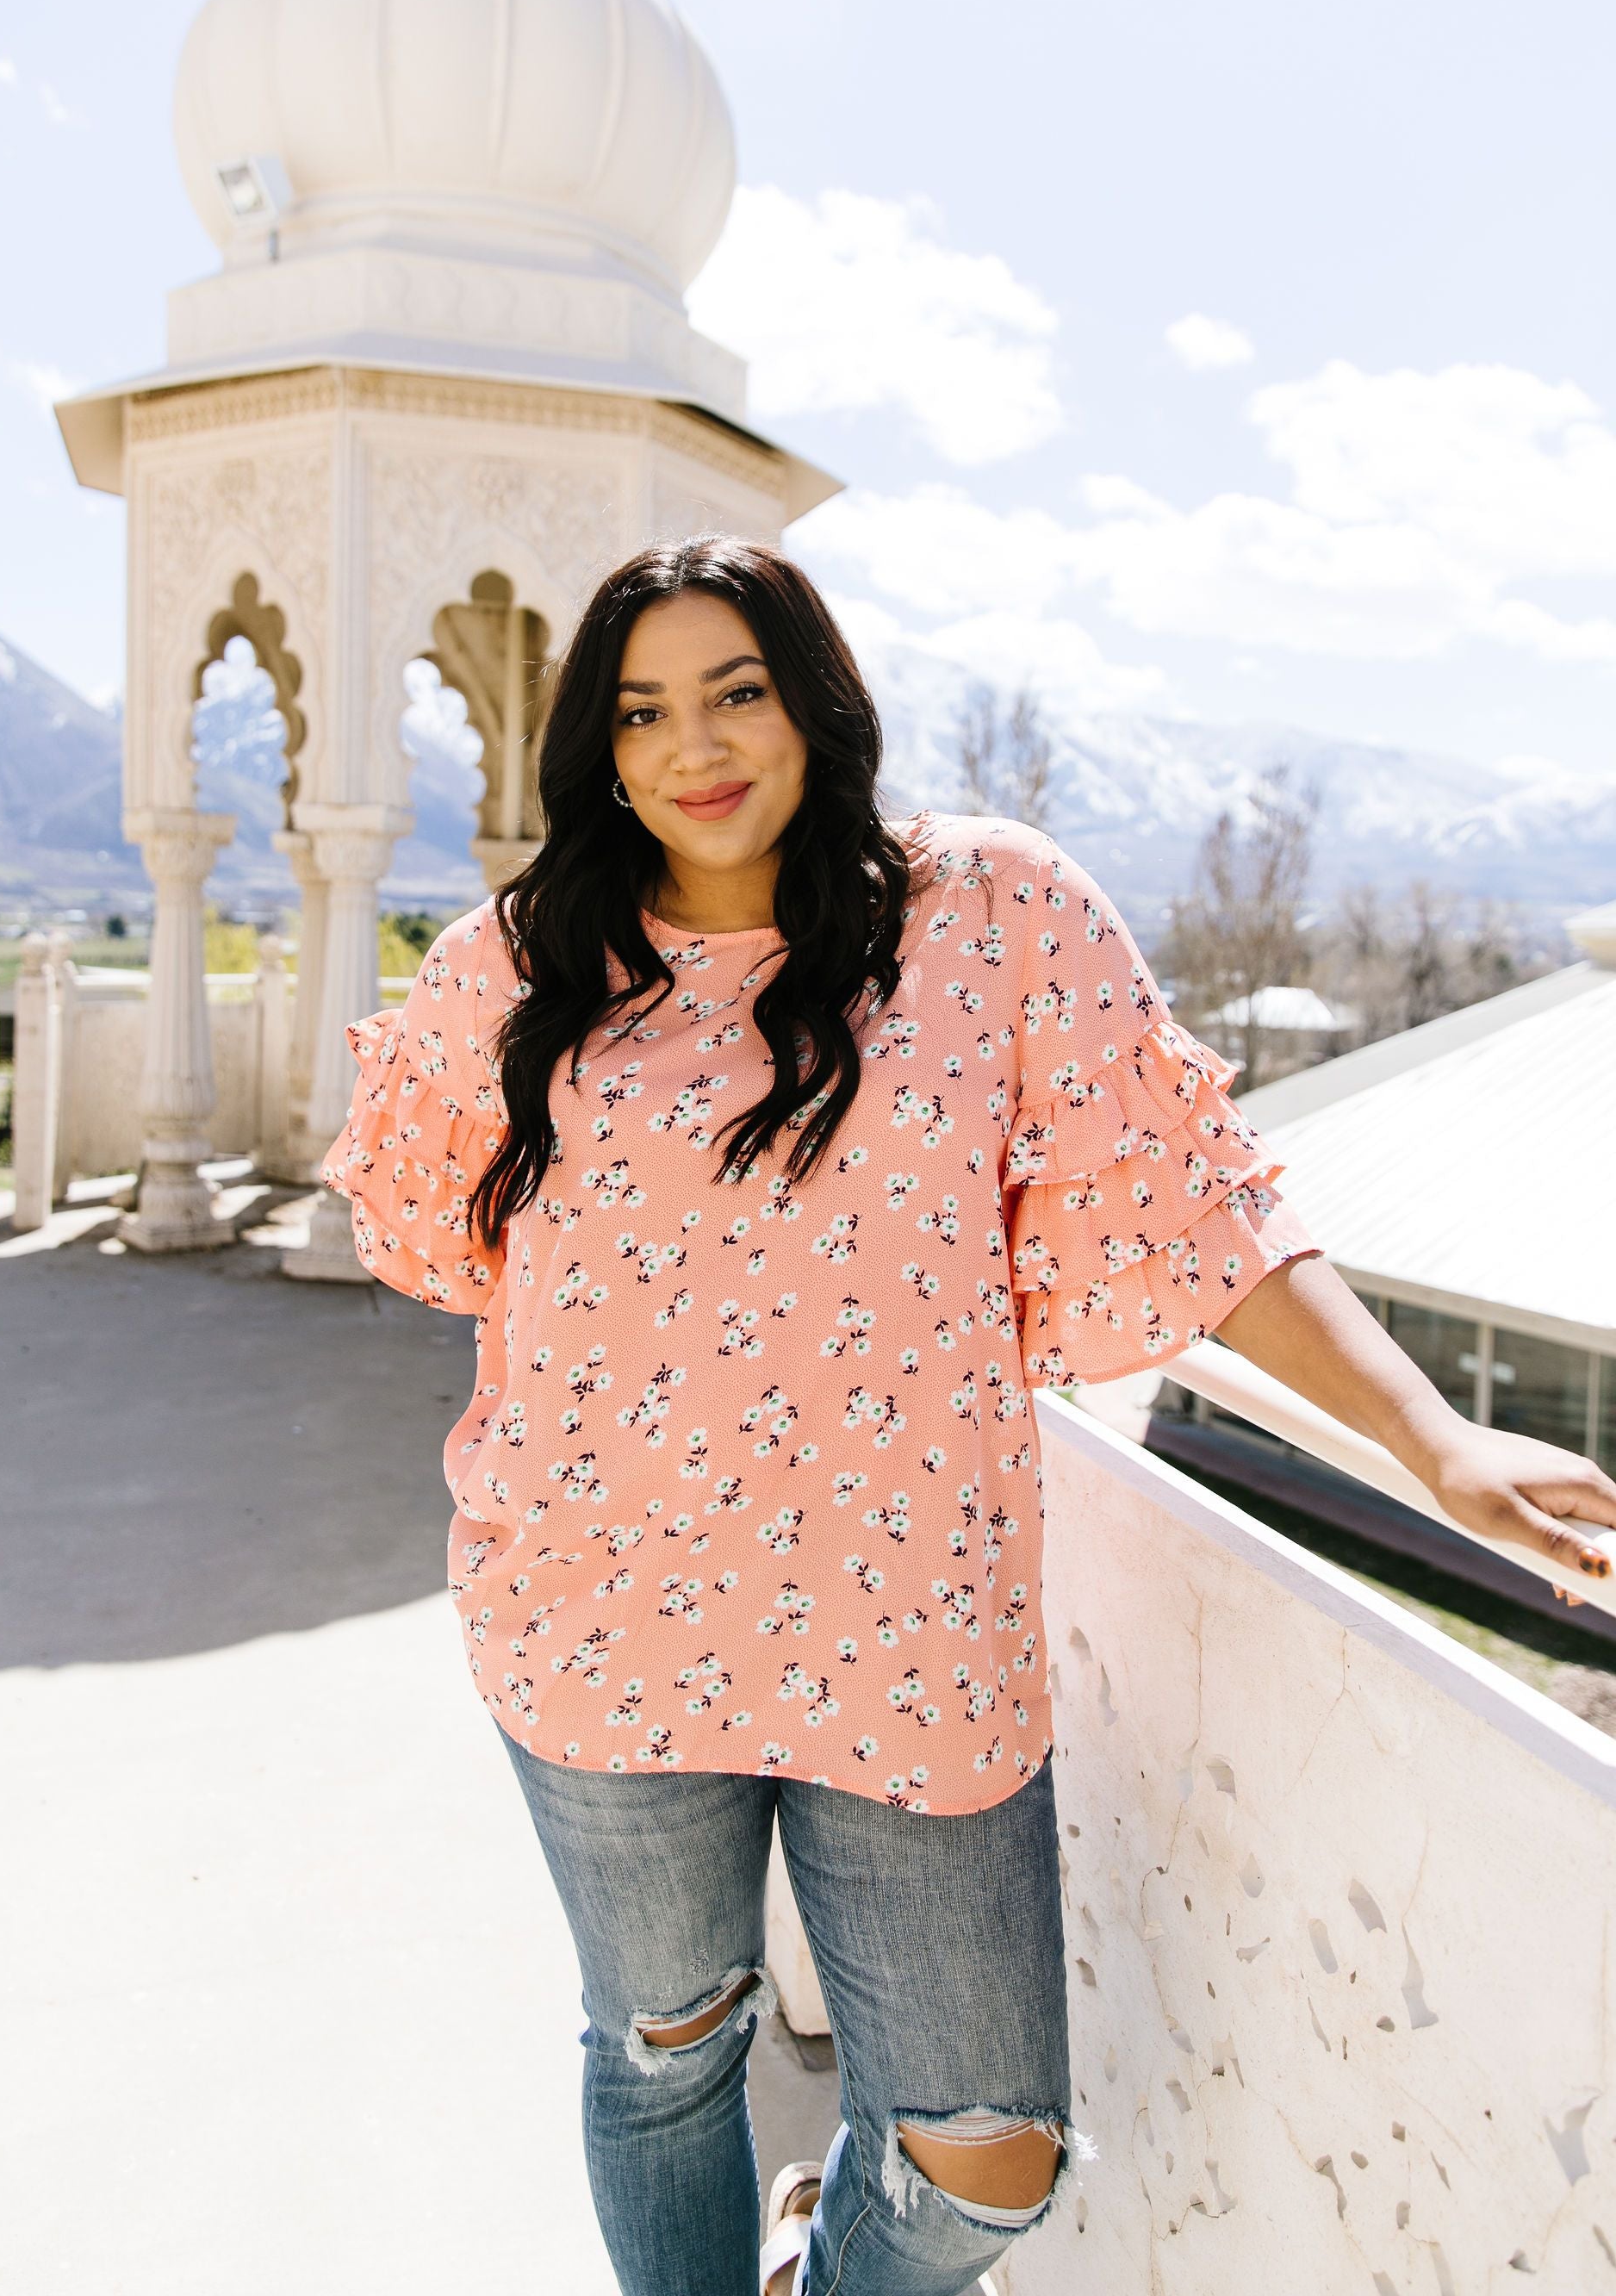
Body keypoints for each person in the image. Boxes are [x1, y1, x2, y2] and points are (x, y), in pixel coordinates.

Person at [322, 538, 1615, 2296]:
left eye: (734, 692)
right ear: (592, 749)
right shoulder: (525, 963)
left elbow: (1192, 1204)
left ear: (814, 699)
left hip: (906, 1631)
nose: (689, 746)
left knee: (984, 2153)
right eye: (638, 711)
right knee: (661, 2049)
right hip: (599, 1613)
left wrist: (1432, 1440)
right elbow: (432, 1238)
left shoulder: (989, 914)